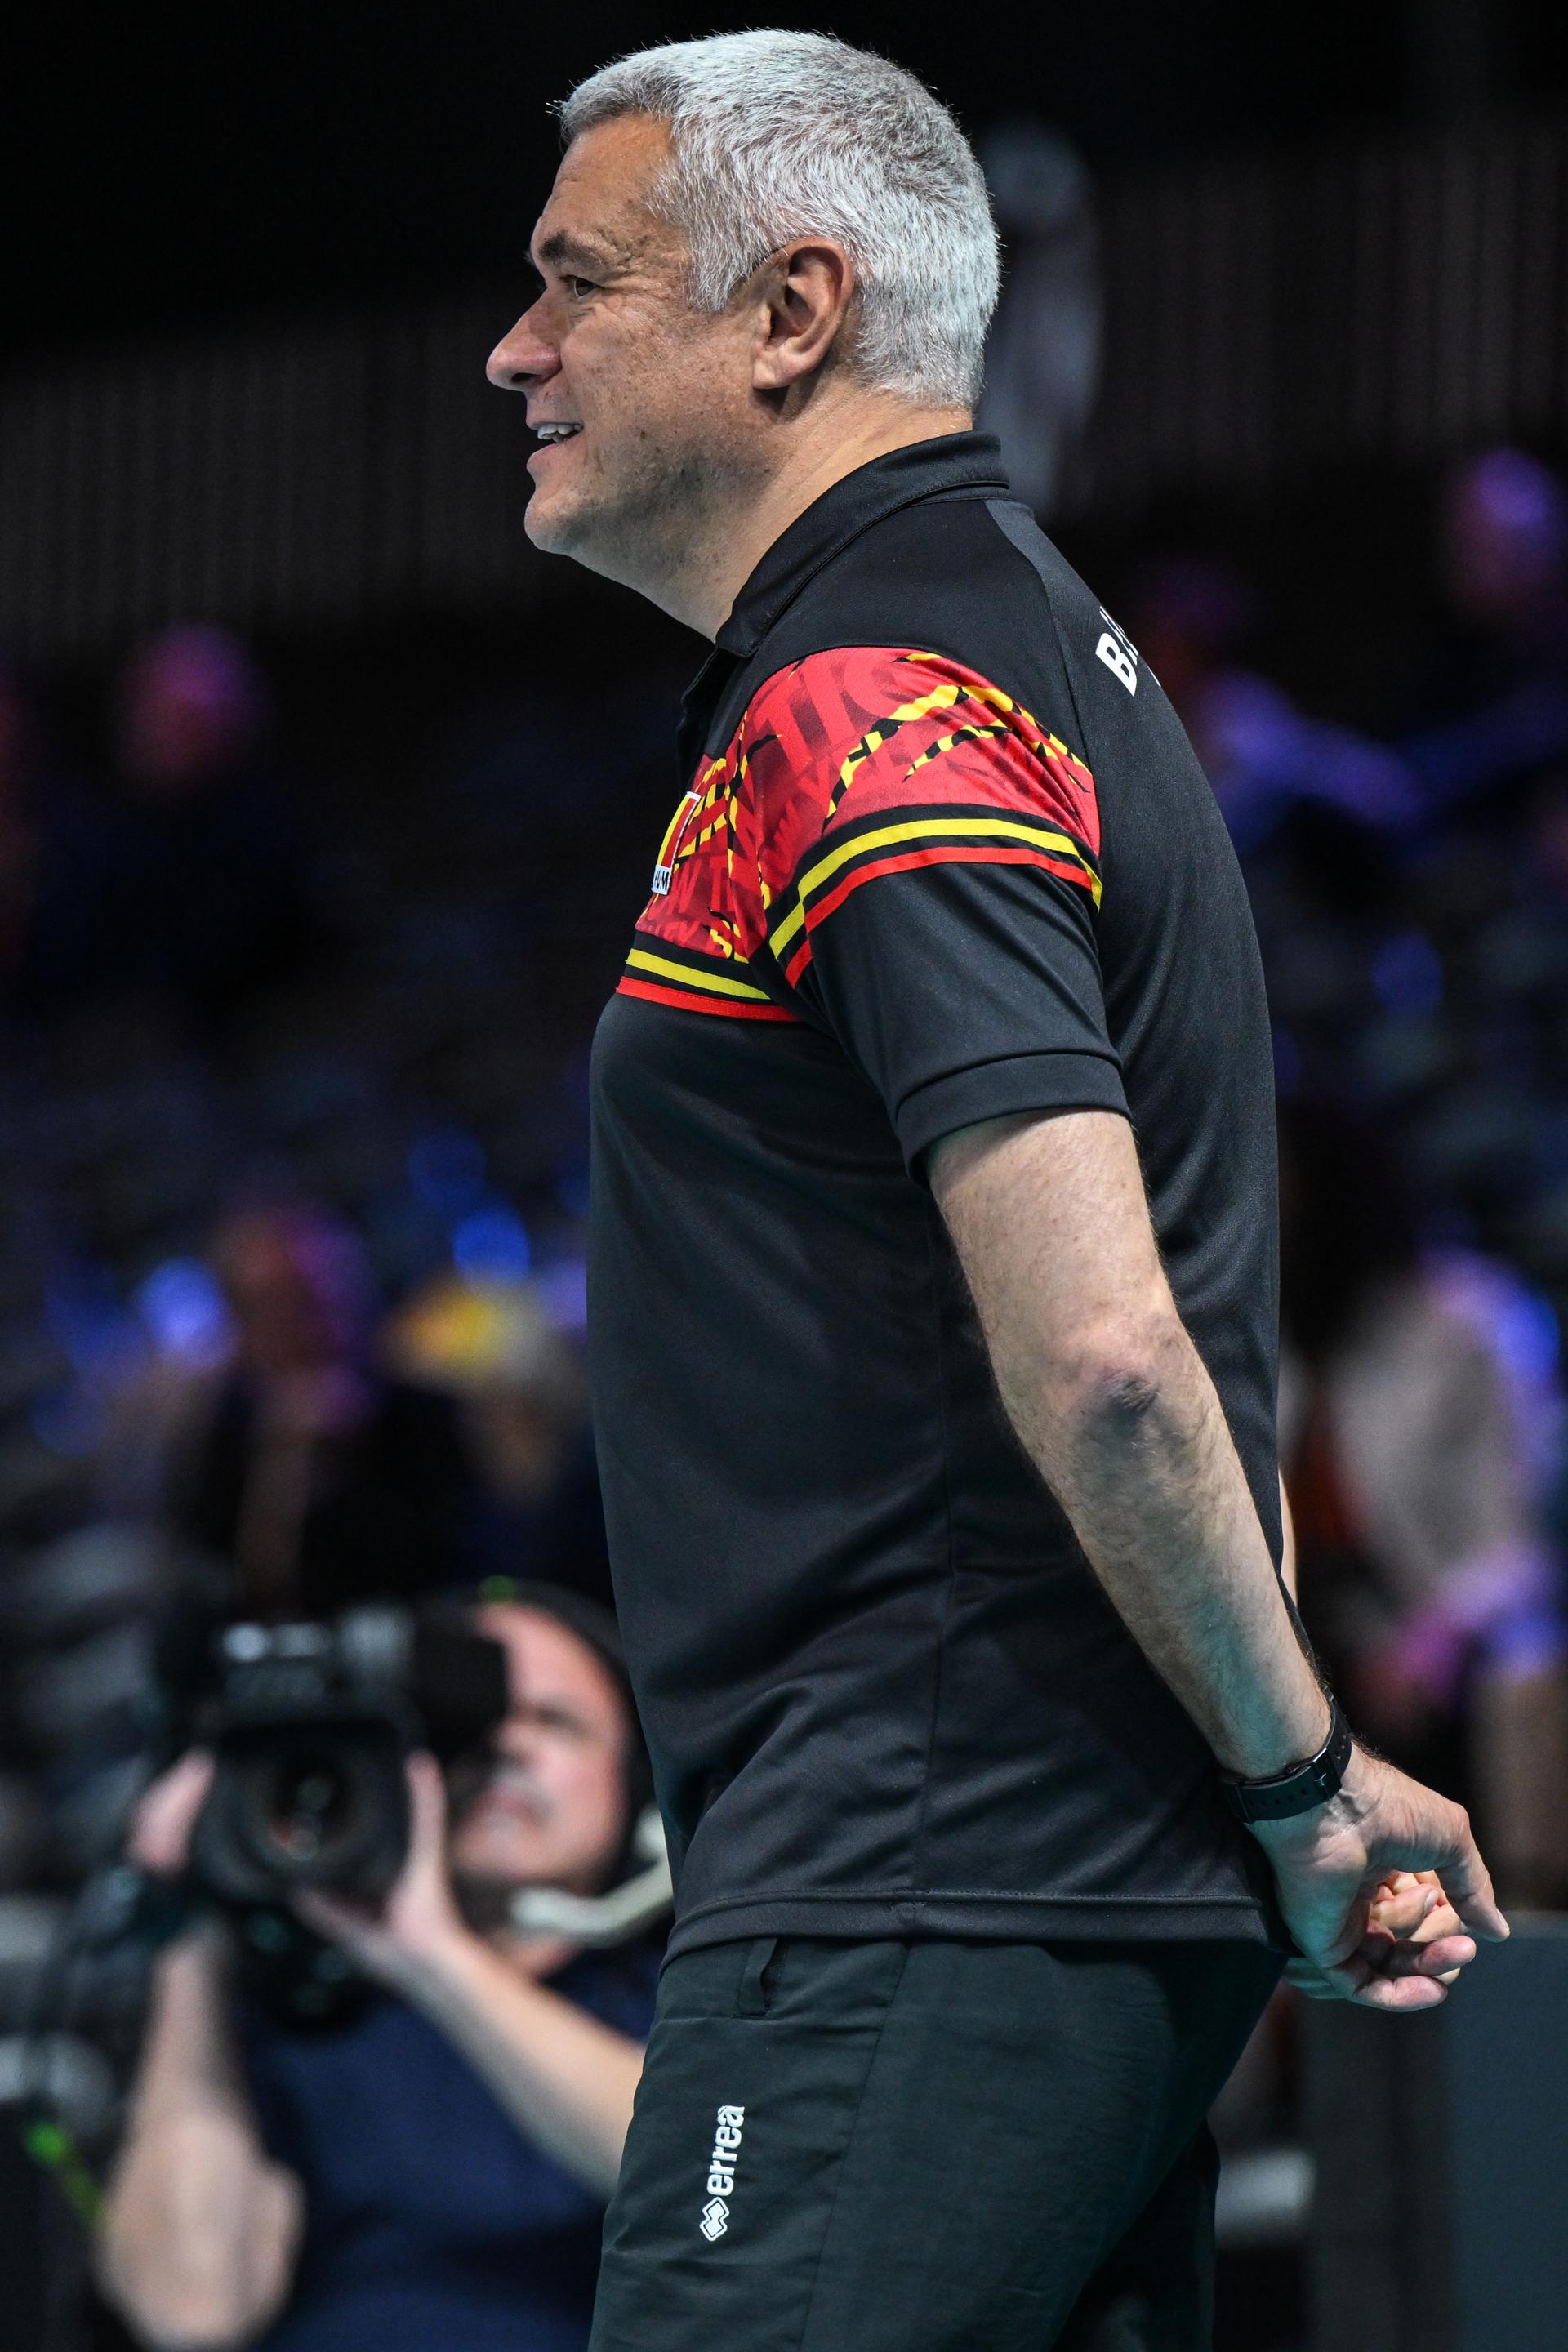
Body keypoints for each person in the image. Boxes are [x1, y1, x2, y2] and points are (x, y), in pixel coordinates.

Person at [484, 31, 1505, 2350]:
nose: (513, 349)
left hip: (916, 1885)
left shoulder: (876, 697)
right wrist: (1271, 1787)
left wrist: (1306, 1779)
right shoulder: (1026, 650)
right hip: (1040, 1892)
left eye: (575, 278)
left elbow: (1118, 1356)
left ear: (793, 309)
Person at [97, 1591, 661, 2352]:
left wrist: (433, 1953)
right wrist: (193, 1923)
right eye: (469, 1721)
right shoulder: (298, 2004)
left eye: (554, 1721)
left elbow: (696, 2173)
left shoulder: (680, 1995)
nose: (505, 1744)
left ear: (635, 1780)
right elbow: (190, 2309)